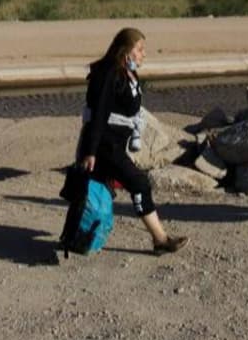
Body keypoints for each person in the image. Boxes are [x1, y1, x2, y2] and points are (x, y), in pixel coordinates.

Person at [75, 27, 188, 254]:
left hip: (115, 145)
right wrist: (91, 152)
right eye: (139, 49)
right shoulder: (110, 75)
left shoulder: (128, 74)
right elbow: (98, 115)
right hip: (105, 146)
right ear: (126, 51)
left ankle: (78, 238)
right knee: (139, 183)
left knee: (95, 193)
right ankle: (160, 239)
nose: (143, 54)